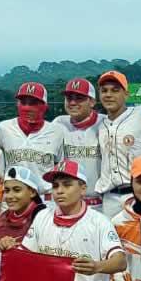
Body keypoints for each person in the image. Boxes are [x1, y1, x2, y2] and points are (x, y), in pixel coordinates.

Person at [95, 70, 141, 218]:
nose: (109, 95)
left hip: (137, 195)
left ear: (126, 94)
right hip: (109, 197)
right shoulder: (99, 123)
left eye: (115, 90)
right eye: (104, 91)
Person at [0, 82, 66, 183]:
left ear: (45, 106)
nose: (27, 108)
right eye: (23, 102)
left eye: (33, 103)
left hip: (44, 195)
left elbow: (59, 167)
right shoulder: (4, 128)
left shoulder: (57, 131)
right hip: (14, 194)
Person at [54, 78, 104, 209]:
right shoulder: (58, 124)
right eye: (69, 98)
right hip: (69, 203)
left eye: (79, 98)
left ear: (92, 101)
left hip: (100, 202)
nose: (73, 102)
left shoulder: (106, 123)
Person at [0, 167, 47, 251]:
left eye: (17, 190)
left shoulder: (44, 218)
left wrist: (16, 249)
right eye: (7, 191)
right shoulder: (2, 219)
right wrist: (1, 247)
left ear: (33, 192)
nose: (10, 196)